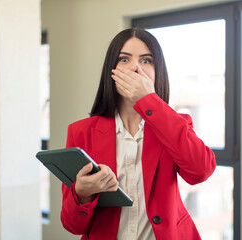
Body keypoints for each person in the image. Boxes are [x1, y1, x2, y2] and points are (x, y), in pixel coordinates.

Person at [61, 28, 216, 240]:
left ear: (157, 72)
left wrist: (149, 101)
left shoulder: (174, 125)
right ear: (111, 70)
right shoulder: (81, 132)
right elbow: (72, 225)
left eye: (146, 61)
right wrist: (81, 193)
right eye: (124, 59)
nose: (135, 68)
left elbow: (201, 171)